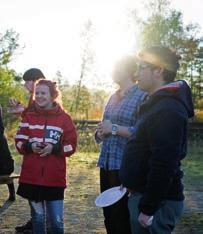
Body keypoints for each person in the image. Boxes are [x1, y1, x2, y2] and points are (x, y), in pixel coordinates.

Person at [120, 46, 194, 234]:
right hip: (145, 196)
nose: (136, 73)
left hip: (157, 204)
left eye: (141, 67)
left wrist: (148, 208)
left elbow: (164, 162)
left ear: (158, 70)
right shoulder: (156, 104)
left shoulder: (168, 109)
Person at [15, 79, 77, 234]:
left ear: (53, 96)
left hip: (54, 180)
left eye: (44, 93)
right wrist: (30, 146)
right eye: (37, 93)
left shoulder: (64, 119)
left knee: (56, 222)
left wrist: (54, 148)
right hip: (32, 179)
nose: (40, 96)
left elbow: (71, 146)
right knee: (38, 218)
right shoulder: (28, 117)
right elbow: (19, 142)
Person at [95, 56, 146, 234]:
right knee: (109, 216)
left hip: (126, 167)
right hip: (107, 164)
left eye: (118, 67)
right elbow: (104, 126)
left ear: (131, 71)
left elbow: (142, 133)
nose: (113, 70)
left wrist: (114, 128)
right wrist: (100, 132)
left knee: (123, 217)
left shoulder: (142, 96)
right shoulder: (112, 97)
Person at [13, 68, 46, 233]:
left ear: (36, 80)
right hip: (31, 149)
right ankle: (35, 220)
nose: (25, 84)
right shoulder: (32, 98)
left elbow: (39, 119)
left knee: (40, 189)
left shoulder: (43, 98)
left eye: (27, 81)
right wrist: (22, 111)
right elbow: (30, 119)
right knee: (33, 188)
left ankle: (40, 222)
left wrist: (22, 112)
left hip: (42, 151)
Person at [0, 105, 15, 201]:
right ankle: (12, 193)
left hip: (5, 168)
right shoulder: (2, 136)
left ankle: (12, 193)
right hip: (8, 168)